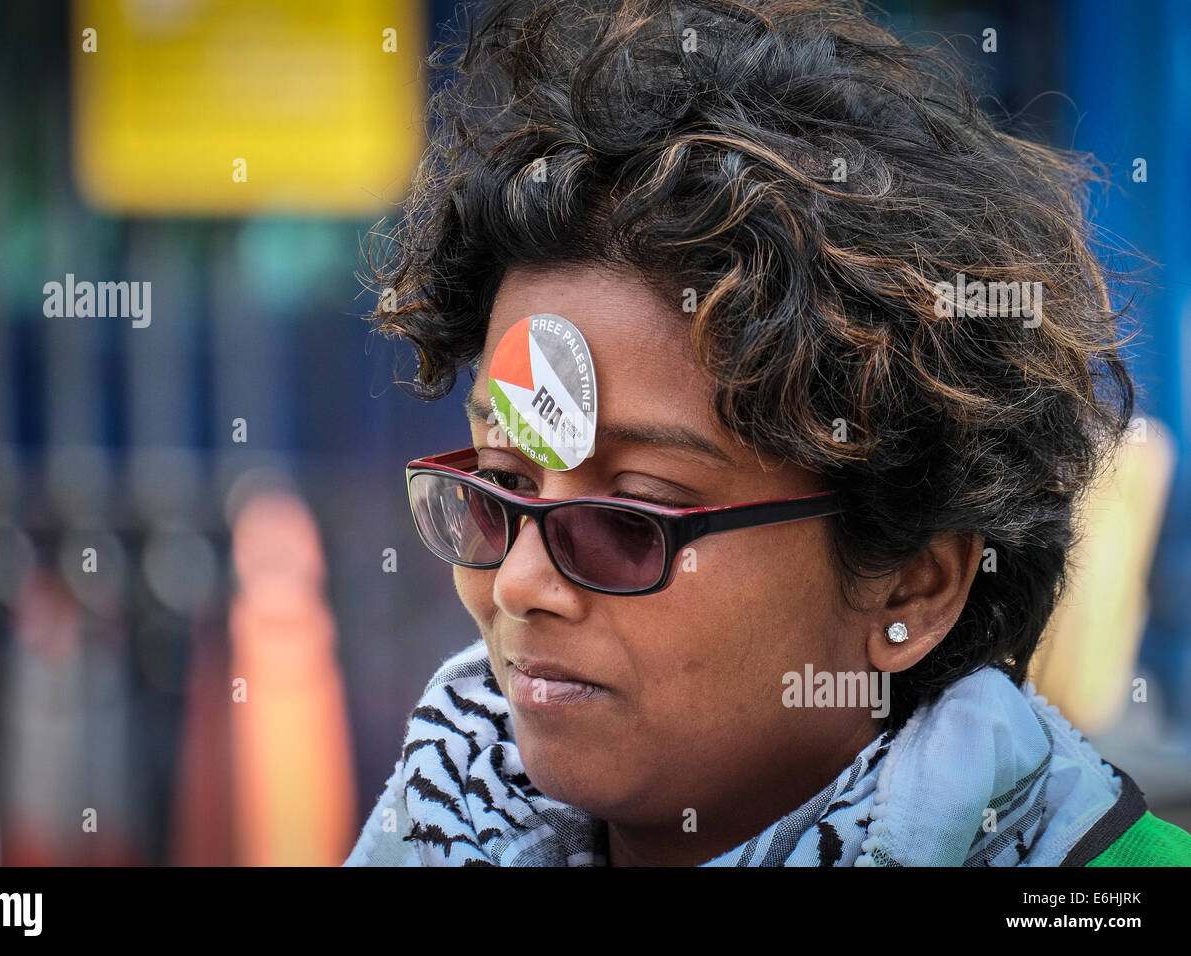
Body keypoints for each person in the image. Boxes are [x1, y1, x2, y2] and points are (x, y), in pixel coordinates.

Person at [344, 0, 1191, 866]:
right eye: (506, 489)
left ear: (911, 587)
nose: (519, 583)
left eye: (633, 519)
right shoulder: (435, 825)